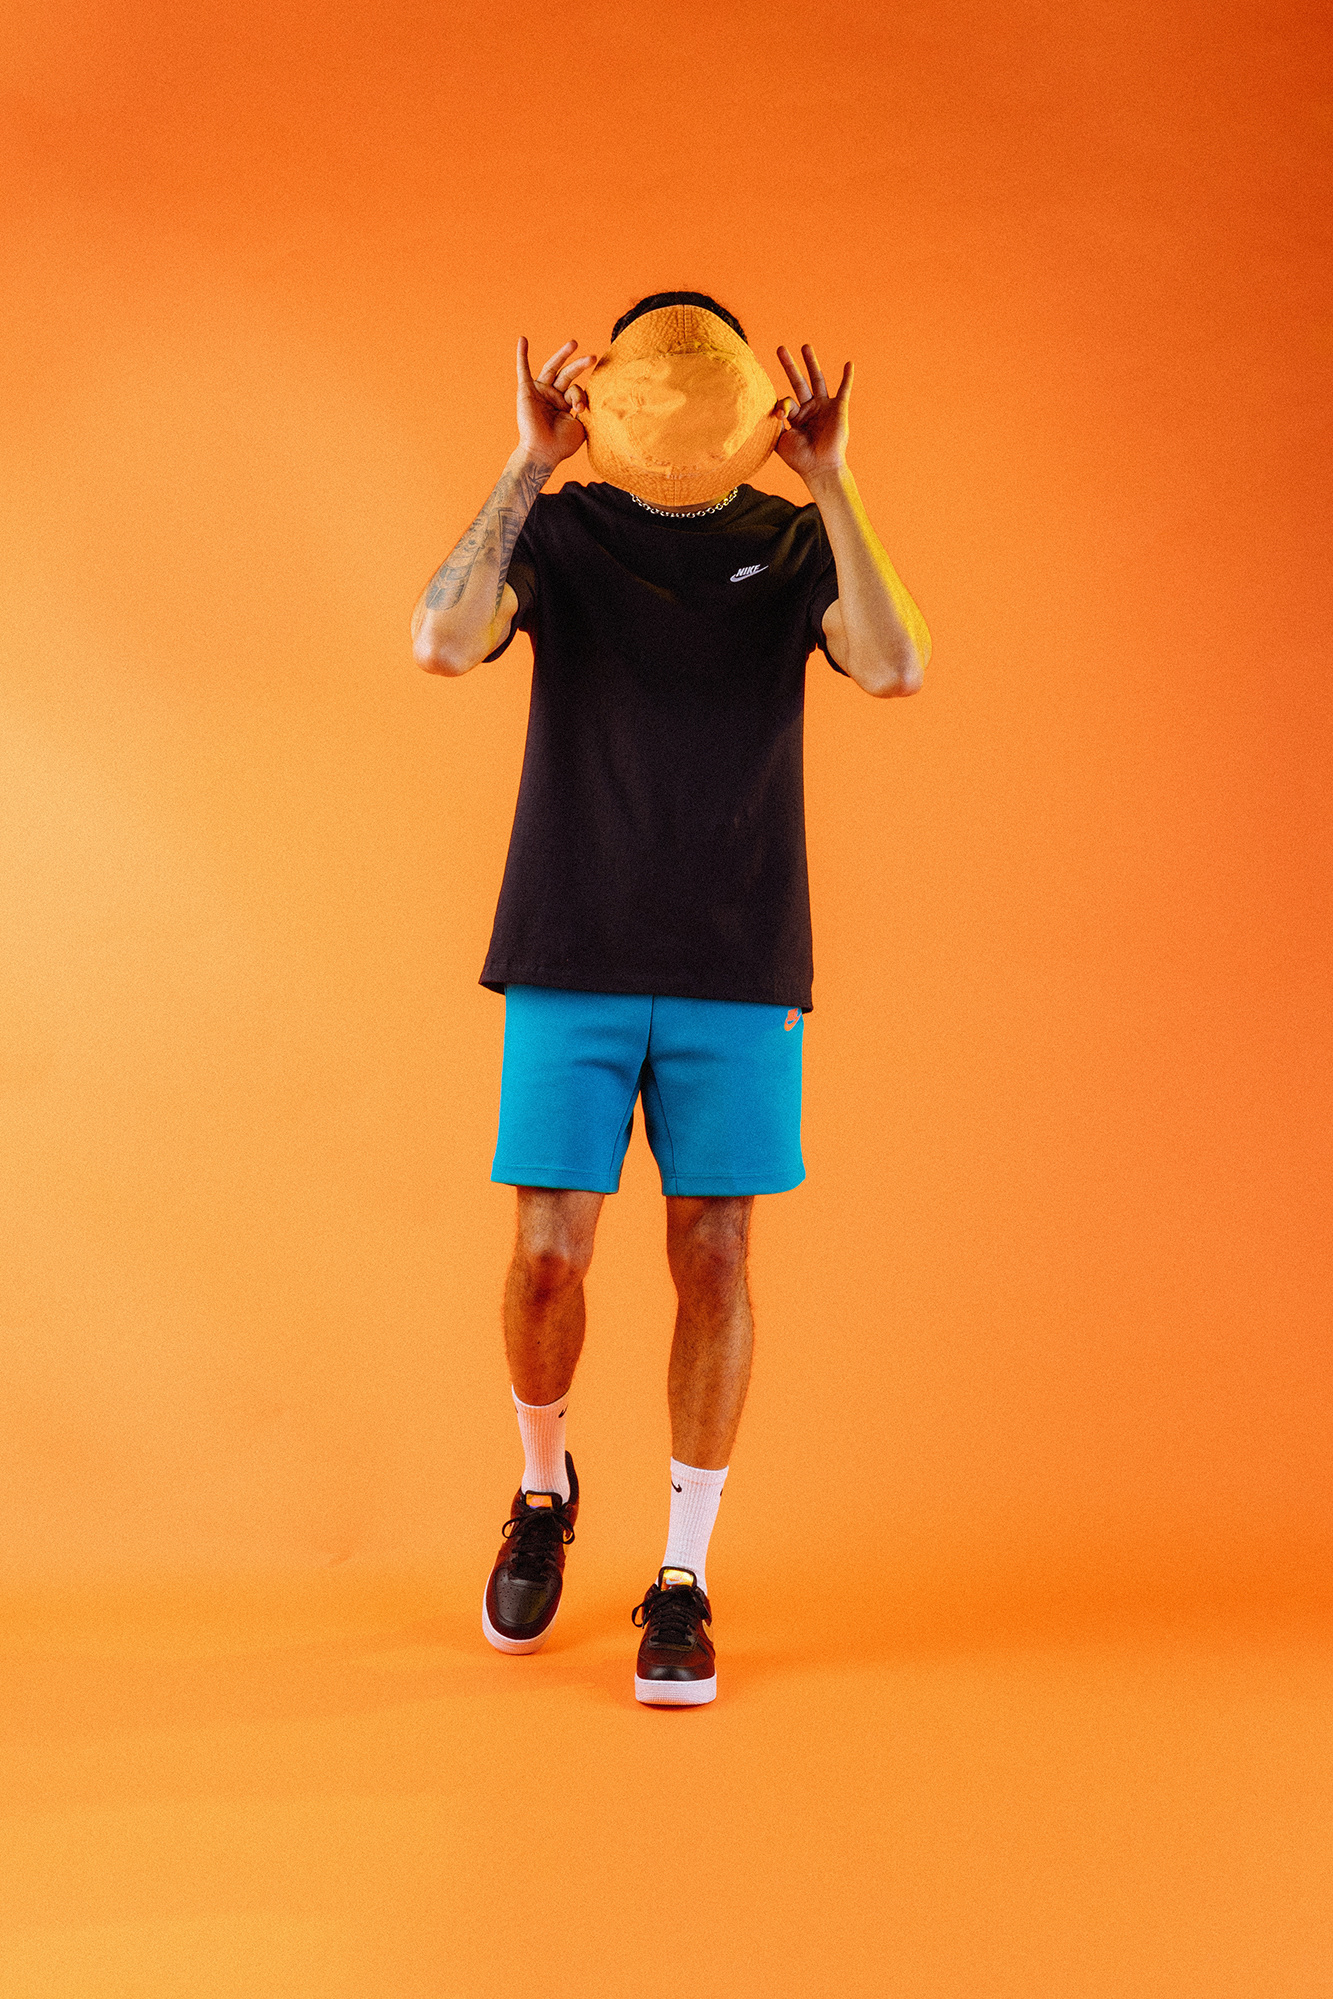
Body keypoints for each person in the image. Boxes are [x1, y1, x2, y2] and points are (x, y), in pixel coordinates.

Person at [411, 291, 930, 1706]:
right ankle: (542, 1489)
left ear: (745, 403)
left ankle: (683, 1576)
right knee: (547, 1259)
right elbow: (442, 641)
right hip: (569, 944)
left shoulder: (792, 541)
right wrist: (526, 463)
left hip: (735, 955)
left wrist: (831, 479)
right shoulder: (564, 531)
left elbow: (895, 665)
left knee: (714, 1257)